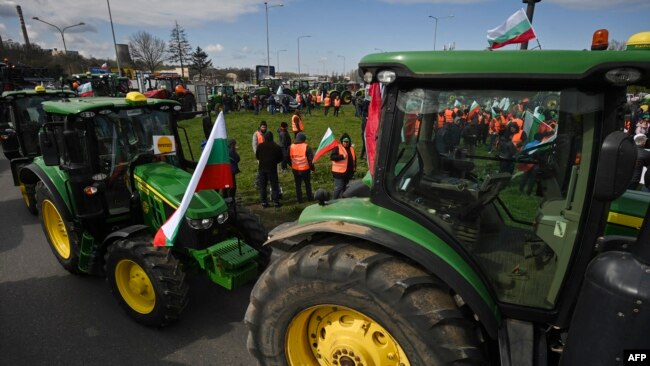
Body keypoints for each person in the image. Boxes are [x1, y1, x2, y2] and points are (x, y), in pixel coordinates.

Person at [256, 132, 284, 208]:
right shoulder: (276, 147)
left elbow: (257, 156)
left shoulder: (260, 146)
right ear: (272, 138)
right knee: (274, 185)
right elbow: (280, 158)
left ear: (264, 138)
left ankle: (264, 202)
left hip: (262, 169)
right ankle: (276, 202)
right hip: (272, 169)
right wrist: (275, 162)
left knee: (263, 186)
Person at [290, 132, 314, 203]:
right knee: (307, 184)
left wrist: (291, 164)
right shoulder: (307, 147)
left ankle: (299, 200)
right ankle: (309, 198)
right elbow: (310, 160)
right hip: (305, 169)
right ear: (304, 139)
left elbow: (287, 157)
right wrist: (312, 168)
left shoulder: (291, 146)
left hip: (295, 169)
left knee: (298, 185)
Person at [330, 133, 357, 199]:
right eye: (344, 141)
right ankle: (332, 201)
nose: (345, 143)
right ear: (342, 141)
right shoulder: (337, 148)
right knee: (339, 187)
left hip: (348, 173)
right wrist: (342, 156)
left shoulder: (351, 149)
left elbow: (354, 160)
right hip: (338, 173)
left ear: (349, 142)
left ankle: (342, 201)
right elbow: (332, 157)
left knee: (344, 188)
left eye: (347, 141)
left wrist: (354, 170)